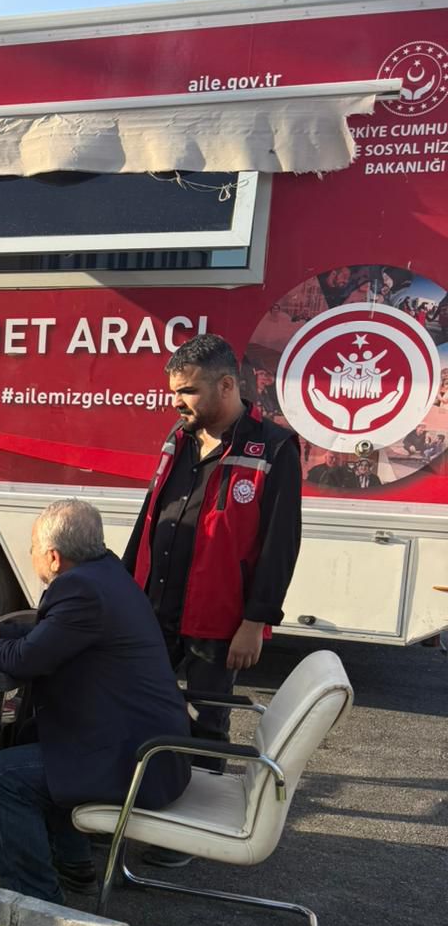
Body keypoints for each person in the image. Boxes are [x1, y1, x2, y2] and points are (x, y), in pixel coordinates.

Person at [123, 332, 301, 866]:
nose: (177, 402)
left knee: (206, 720)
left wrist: (256, 621)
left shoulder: (273, 449)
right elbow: (148, 521)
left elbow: (279, 545)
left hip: (219, 618)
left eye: (188, 391)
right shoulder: (177, 439)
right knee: (144, 710)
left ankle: (188, 831)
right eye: (174, 391)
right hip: (154, 610)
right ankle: (143, 802)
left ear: (226, 385)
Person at [0, 501, 191, 903]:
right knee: (28, 740)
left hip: (136, 759)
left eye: (32, 546)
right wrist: (1, 628)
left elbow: (28, 659)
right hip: (143, 742)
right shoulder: (104, 573)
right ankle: (74, 865)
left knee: (2, 776)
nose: (30, 554)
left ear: (52, 556)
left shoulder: (80, 588)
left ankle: (37, 905)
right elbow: (52, 632)